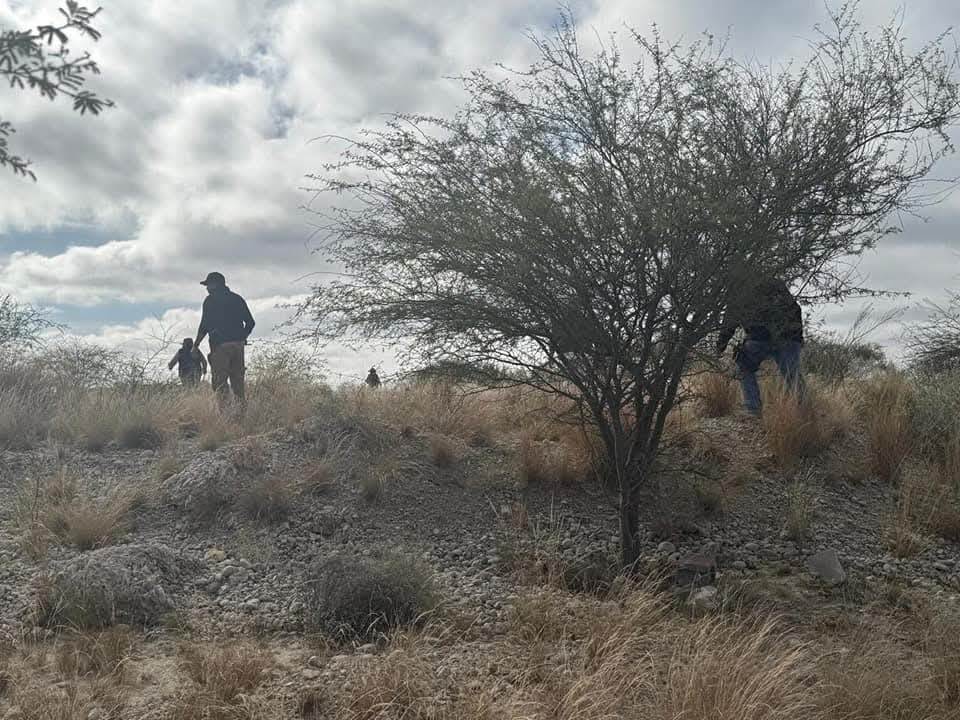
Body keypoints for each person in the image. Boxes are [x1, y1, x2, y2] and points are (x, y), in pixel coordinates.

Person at [716, 276, 804, 415]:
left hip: (758, 339)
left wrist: (719, 347)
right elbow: (795, 309)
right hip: (788, 337)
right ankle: (803, 411)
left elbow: (729, 322)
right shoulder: (775, 283)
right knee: (793, 376)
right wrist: (798, 339)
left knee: (745, 367)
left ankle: (753, 409)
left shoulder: (738, 291)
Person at [194, 271, 255, 408]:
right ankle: (241, 416)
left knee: (219, 384)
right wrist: (241, 338)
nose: (207, 288)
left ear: (215, 285)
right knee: (238, 385)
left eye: (208, 285)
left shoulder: (210, 301)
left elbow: (204, 325)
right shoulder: (237, 299)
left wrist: (196, 345)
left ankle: (225, 417)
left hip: (220, 347)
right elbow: (250, 323)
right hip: (238, 347)